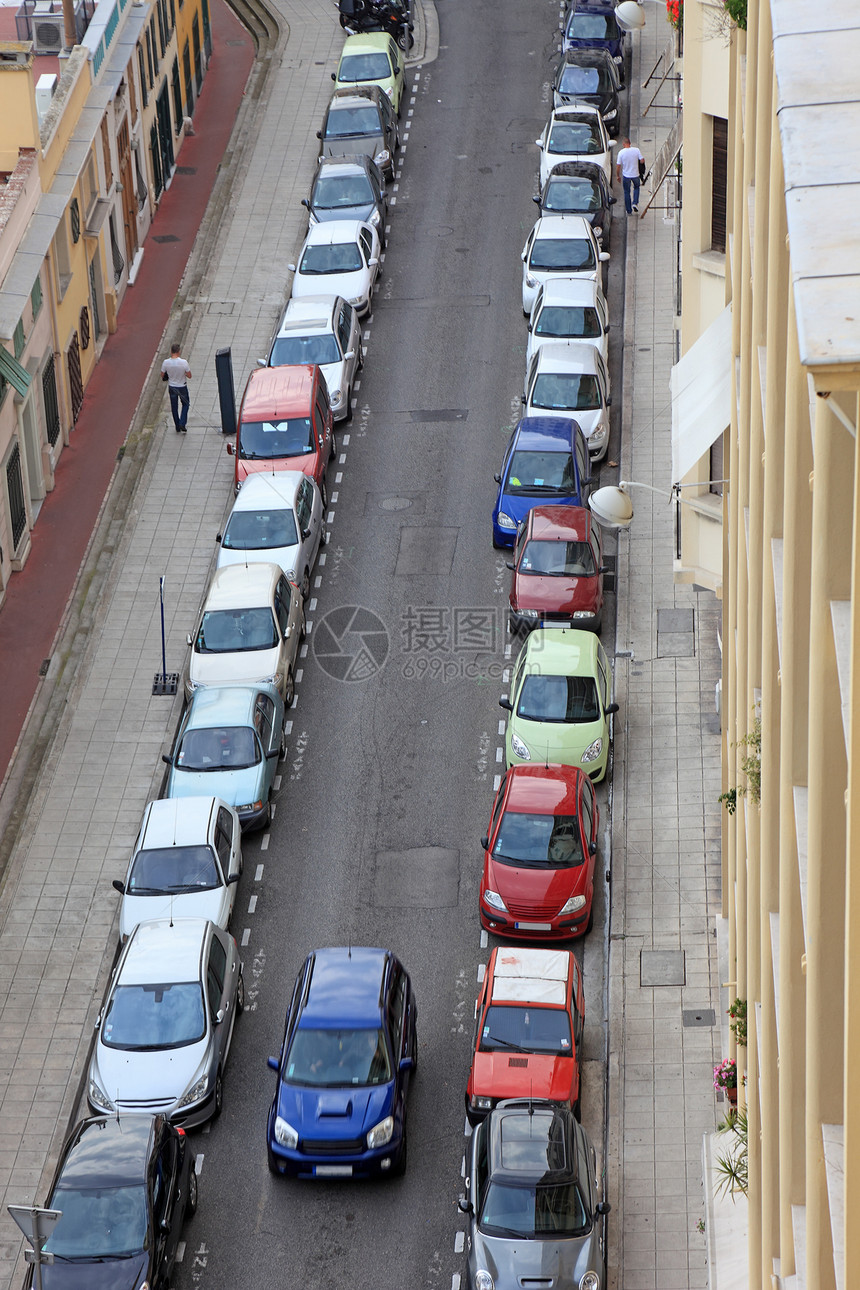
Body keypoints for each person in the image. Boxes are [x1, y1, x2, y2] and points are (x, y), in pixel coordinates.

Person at [161, 342, 192, 432]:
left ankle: (177, 426)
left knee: (174, 407)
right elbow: (189, 376)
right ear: (179, 352)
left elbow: (162, 375)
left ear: (171, 351)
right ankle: (182, 422)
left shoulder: (166, 362)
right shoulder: (184, 362)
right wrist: (184, 373)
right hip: (182, 386)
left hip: (172, 387)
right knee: (185, 404)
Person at [616, 137, 646, 215]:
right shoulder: (636, 150)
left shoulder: (621, 152)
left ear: (623, 144)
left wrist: (617, 176)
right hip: (635, 174)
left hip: (626, 176)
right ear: (630, 143)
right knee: (636, 187)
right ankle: (635, 203)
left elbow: (618, 165)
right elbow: (642, 160)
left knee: (626, 192)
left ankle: (629, 210)